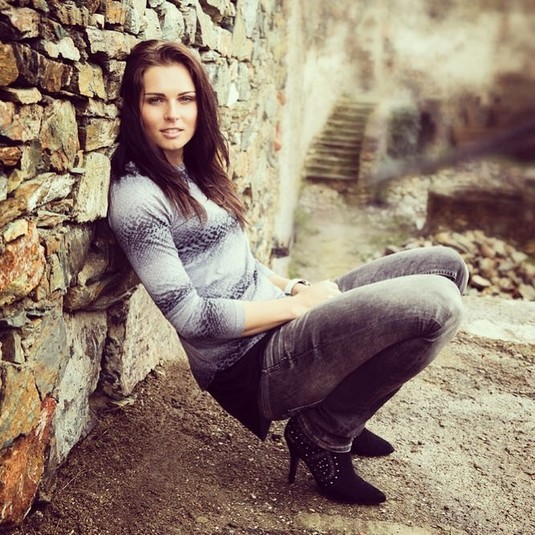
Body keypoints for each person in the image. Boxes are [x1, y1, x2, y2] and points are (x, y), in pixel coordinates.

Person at [108, 39, 469, 505]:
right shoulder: (138, 198)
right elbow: (191, 317)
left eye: (185, 99)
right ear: (134, 107)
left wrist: (294, 288)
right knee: (438, 306)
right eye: (156, 100)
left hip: (280, 316)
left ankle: (344, 409)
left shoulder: (192, 167)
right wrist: (299, 307)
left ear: (202, 103)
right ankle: (323, 433)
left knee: (446, 266)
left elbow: (239, 262)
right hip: (249, 364)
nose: (173, 114)